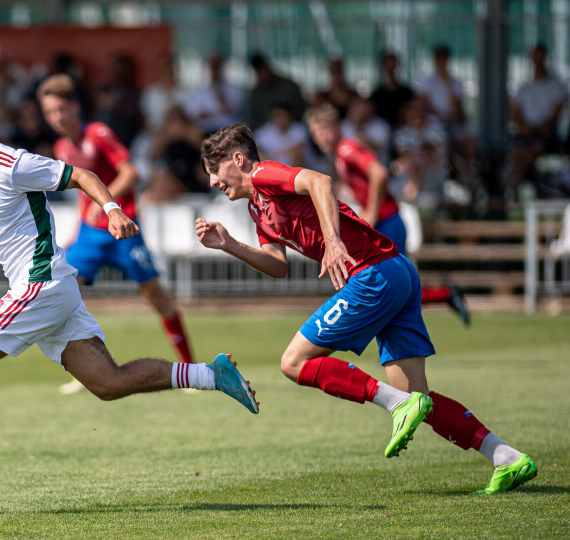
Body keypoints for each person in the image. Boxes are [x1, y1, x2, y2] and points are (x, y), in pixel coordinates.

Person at [0, 96, 260, 498]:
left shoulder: (10, 165)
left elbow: (82, 175)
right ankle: (212, 374)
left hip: (41, 284)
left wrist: (112, 209)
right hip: (53, 292)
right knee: (108, 382)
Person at [195, 123, 537, 494]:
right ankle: (506, 456)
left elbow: (319, 182)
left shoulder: (263, 174)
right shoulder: (255, 209)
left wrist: (332, 242)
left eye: (214, 170)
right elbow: (277, 265)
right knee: (416, 398)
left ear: (238, 159)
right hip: (397, 271)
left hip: (373, 274)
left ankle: (394, 406)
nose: (213, 182)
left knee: (293, 363)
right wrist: (228, 244)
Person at [37, 74, 196, 378]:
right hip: (89, 233)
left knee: (156, 297)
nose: (57, 117)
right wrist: (77, 231)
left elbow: (131, 173)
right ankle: (90, 372)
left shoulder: (97, 133)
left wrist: (107, 205)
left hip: (123, 230)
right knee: (64, 294)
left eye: (61, 109)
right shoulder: (61, 148)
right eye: (50, 113)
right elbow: (85, 192)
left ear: (75, 107)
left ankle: (189, 367)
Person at [306, 103, 469, 324]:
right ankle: (446, 295)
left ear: (337, 127)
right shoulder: (339, 154)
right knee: (393, 288)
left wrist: (372, 211)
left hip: (387, 222)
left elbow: (380, 173)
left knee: (394, 288)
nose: (322, 137)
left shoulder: (347, 149)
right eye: (317, 133)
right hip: (384, 223)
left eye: (325, 130)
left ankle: (444, 297)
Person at [510, 43, 567, 185]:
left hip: (546, 134)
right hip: (526, 132)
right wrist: (524, 126)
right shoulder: (525, 87)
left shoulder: (555, 86)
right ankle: (517, 182)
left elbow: (557, 113)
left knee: (532, 150)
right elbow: (514, 112)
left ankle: (520, 181)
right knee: (517, 151)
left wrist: (541, 126)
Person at [415, 45, 476, 180]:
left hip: (454, 124)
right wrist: (443, 115)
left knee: (469, 144)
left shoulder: (455, 83)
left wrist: (447, 85)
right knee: (445, 146)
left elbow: (458, 112)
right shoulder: (426, 82)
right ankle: (454, 176)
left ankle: (469, 176)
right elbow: (424, 106)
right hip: (434, 124)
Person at [143, 105, 210, 202]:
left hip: (192, 176)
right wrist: (168, 136)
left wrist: (185, 133)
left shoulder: (193, 132)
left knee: (163, 184)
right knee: (158, 178)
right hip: (173, 174)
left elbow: (204, 149)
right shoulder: (163, 135)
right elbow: (154, 156)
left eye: (179, 118)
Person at [185, 51, 245, 135]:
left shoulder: (234, 88)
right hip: (206, 131)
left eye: (217, 67)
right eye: (212, 67)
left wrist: (218, 92)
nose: (215, 70)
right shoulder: (198, 91)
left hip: (228, 130)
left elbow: (234, 110)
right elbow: (193, 115)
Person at [248, 53, 307, 130]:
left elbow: (301, 109)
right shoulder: (256, 93)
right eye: (259, 72)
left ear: (268, 67)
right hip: (267, 132)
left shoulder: (289, 86)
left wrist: (285, 122)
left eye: (263, 70)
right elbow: (254, 119)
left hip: (291, 128)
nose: (263, 74)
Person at [369, 50, 415, 129]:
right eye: (388, 64)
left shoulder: (407, 93)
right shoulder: (376, 95)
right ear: (383, 66)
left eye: (393, 65)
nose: (391, 68)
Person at [255, 103, 310, 167]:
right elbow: (257, 152)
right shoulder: (264, 131)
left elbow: (297, 152)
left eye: (285, 115)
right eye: (278, 115)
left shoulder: (299, 130)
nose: (281, 118)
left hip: (295, 171)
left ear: (290, 116)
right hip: (272, 170)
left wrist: (270, 155)